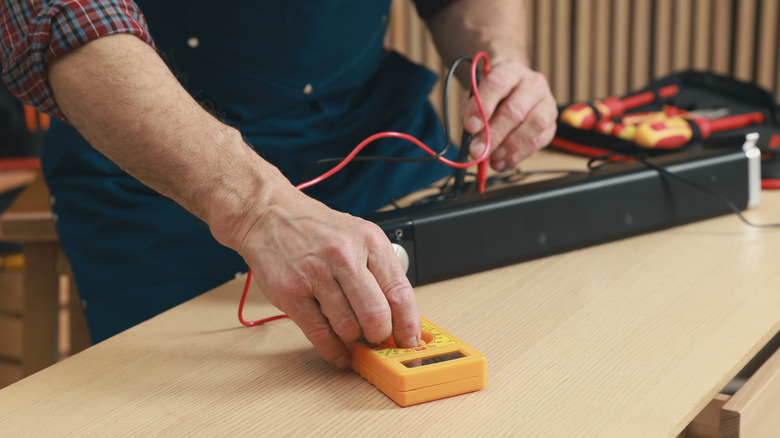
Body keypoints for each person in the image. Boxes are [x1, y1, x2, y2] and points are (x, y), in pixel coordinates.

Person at [1, 0, 557, 367]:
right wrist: (255, 207)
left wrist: (504, 64)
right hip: (157, 175)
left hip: (374, 139)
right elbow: (62, 17)